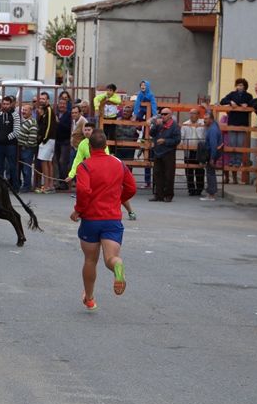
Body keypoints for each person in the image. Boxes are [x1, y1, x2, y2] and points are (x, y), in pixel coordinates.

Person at [70, 129, 137, 311]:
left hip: (91, 219)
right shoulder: (118, 163)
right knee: (111, 257)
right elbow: (131, 187)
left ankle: (89, 298)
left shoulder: (85, 166)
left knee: (90, 260)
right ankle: (118, 265)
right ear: (106, 145)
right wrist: (119, 199)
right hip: (112, 219)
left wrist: (78, 211)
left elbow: (83, 191)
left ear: (90, 147)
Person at [219, 78, 254, 184]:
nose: (239, 87)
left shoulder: (248, 96)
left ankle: (238, 162)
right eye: (238, 85)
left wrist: (247, 105)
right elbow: (222, 101)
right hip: (232, 122)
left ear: (245, 86)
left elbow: (253, 104)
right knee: (232, 143)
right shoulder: (232, 94)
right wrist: (230, 102)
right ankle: (232, 161)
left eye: (241, 85)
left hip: (243, 123)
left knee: (239, 144)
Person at [149, 107, 181, 202]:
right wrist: (155, 125)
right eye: (161, 114)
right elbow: (151, 133)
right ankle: (158, 195)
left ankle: (168, 195)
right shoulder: (159, 124)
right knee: (157, 174)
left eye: (165, 114)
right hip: (158, 152)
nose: (163, 116)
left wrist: (165, 141)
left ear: (170, 115)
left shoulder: (174, 126)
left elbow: (177, 140)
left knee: (169, 175)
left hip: (168, 153)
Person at [0, 96, 20, 191]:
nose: (5, 106)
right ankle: (0, 187)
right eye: (4, 104)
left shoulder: (15, 115)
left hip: (11, 145)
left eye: (7, 104)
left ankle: (15, 187)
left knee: (12, 167)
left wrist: (6, 138)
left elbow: (16, 131)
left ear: (10, 104)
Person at [132, 80, 157, 188]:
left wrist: (154, 114)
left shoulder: (150, 95)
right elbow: (137, 103)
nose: (142, 87)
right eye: (141, 85)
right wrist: (135, 113)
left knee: (154, 162)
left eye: (144, 85)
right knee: (146, 161)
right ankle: (148, 182)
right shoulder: (140, 95)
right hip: (145, 139)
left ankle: (155, 182)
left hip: (153, 141)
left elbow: (154, 104)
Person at [181, 108, 205, 197]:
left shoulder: (202, 123)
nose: (192, 115)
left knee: (199, 171)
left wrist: (197, 128)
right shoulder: (185, 124)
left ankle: (199, 189)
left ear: (198, 114)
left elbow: (203, 137)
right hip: (189, 151)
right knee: (189, 171)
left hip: (199, 151)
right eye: (190, 113)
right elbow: (182, 136)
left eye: (194, 113)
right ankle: (191, 189)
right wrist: (181, 145)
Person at [35, 102, 57, 193]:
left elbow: (48, 127)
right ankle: (50, 185)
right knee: (48, 162)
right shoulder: (43, 116)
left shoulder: (49, 111)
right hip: (48, 140)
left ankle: (47, 185)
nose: (38, 110)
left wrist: (44, 139)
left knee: (45, 162)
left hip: (47, 140)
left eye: (40, 108)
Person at [200, 112, 222, 201]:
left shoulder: (212, 130)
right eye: (204, 118)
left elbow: (213, 145)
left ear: (211, 119)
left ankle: (211, 194)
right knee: (210, 173)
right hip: (212, 153)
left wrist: (212, 158)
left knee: (210, 174)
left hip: (212, 153)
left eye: (206, 119)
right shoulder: (213, 126)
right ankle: (211, 192)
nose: (204, 120)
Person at [17, 104, 38, 193]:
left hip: (27, 149)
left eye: (25, 110)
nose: (23, 112)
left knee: (26, 168)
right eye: (23, 110)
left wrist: (25, 145)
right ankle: (23, 185)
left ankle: (27, 186)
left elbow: (32, 138)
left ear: (30, 112)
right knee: (22, 168)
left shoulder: (32, 122)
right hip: (22, 148)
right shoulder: (24, 121)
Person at [54, 99, 72, 188]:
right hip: (57, 140)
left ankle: (65, 182)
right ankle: (59, 182)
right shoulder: (56, 114)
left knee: (63, 161)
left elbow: (68, 128)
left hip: (65, 141)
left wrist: (59, 122)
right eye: (60, 103)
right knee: (57, 161)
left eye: (64, 104)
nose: (62, 105)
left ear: (66, 105)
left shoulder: (69, 115)